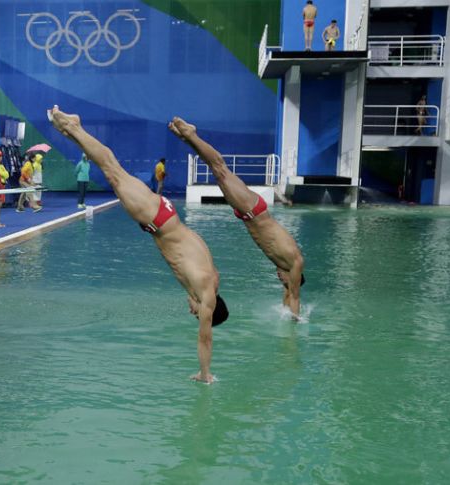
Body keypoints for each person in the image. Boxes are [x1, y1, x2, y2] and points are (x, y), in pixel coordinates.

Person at [48, 105, 229, 384]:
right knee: (112, 170)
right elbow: (205, 339)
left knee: (113, 170)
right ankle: (73, 126)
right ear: (210, 308)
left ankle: (73, 130)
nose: (192, 312)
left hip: (166, 215)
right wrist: (205, 374)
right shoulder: (206, 293)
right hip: (156, 219)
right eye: (198, 314)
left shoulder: (211, 279)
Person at [168, 117, 305, 319]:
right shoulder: (294, 263)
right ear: (293, 278)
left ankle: (187, 138)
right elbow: (294, 295)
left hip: (249, 213)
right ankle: (191, 134)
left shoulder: (286, 265)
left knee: (218, 171)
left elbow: (288, 294)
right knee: (220, 169)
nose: (279, 278)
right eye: (284, 280)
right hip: (254, 210)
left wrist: (286, 307)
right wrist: (296, 323)